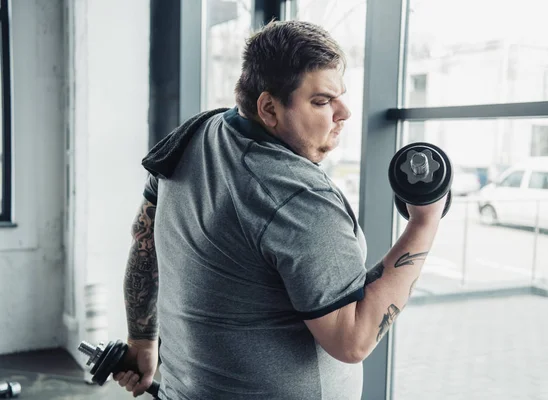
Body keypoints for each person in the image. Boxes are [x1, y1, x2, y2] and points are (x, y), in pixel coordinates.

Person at [112, 20, 445, 399]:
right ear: (269, 108)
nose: (345, 112)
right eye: (321, 101)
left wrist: (141, 341)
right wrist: (424, 221)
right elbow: (351, 340)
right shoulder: (296, 195)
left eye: (340, 96)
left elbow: (143, 244)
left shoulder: (194, 135)